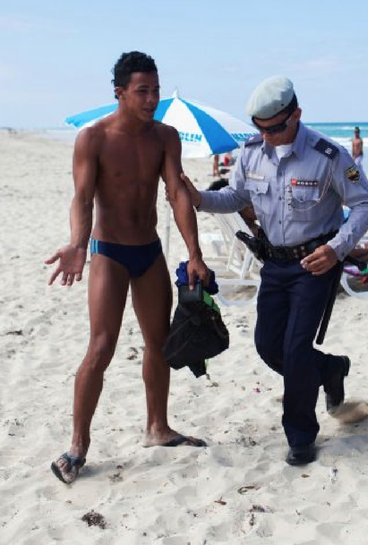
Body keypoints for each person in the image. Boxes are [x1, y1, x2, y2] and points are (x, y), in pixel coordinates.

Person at [182, 76, 368, 466]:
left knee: (295, 350)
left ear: (297, 115)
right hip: (273, 264)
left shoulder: (329, 155)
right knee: (269, 347)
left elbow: (366, 204)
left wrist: (337, 249)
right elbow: (237, 197)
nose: (268, 136)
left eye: (275, 128)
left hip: (313, 265)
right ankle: (332, 368)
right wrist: (199, 198)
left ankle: (301, 436)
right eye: (261, 128)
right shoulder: (252, 152)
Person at [45, 51, 211, 484]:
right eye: (143, 91)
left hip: (149, 251)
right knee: (101, 347)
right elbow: (82, 200)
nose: (152, 98)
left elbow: (176, 193)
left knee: (160, 342)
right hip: (109, 252)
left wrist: (194, 253)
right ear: (119, 92)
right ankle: (77, 445)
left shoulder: (165, 137)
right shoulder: (93, 138)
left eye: (155, 90)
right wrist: (78, 245)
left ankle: (157, 427)